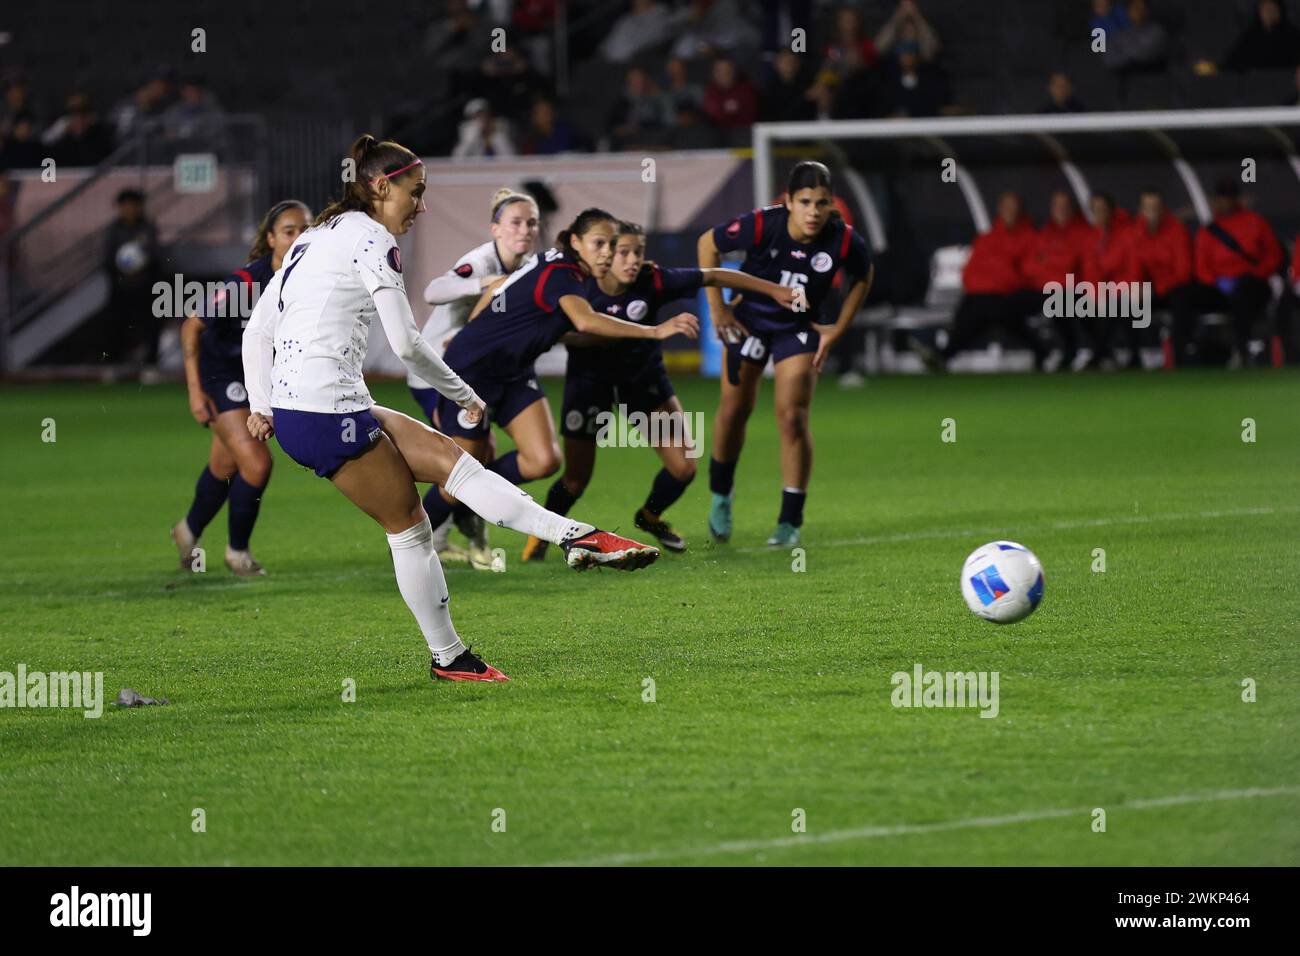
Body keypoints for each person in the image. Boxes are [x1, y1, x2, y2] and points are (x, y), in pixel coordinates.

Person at [242, 135, 663, 684]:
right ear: (379, 186)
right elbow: (407, 343)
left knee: (458, 466)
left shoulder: (315, 237)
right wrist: (463, 394)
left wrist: (262, 404)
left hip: (324, 404)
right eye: (414, 194)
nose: (421, 206)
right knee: (411, 529)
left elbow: (259, 331)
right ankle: (449, 658)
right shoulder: (372, 241)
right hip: (324, 412)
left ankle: (577, 537)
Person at [425, 209, 705, 547]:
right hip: (472, 374)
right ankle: (416, 540)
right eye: (599, 244)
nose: (607, 252)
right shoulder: (563, 273)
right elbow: (585, 321)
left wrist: (476, 324)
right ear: (576, 242)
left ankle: (476, 498)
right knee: (457, 477)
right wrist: (655, 331)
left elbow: (501, 289)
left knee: (543, 460)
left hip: (514, 372)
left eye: (612, 245)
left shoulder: (559, 265)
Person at [528, 219, 797, 561]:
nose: (631, 260)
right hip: (590, 384)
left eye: (638, 251)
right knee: (577, 478)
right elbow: (555, 331)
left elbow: (713, 274)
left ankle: (649, 516)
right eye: (623, 251)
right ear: (606, 253)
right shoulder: (577, 286)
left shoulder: (652, 280)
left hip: (643, 382)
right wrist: (618, 333)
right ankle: (540, 536)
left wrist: (774, 290)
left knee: (684, 467)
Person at [699, 161, 873, 547]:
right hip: (750, 322)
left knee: (792, 418)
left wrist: (839, 327)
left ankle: (789, 520)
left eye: (822, 203)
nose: (814, 211)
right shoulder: (763, 224)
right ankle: (721, 497)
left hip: (799, 328)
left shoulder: (842, 239)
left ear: (831, 205)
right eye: (805, 201)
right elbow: (707, 243)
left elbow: (864, 274)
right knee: (733, 411)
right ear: (789, 202)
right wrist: (718, 308)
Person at [172, 200, 311, 576]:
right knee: (257, 462)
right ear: (270, 238)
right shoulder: (247, 282)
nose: (299, 237)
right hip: (223, 377)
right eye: (289, 231)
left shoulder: (310, 279)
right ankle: (237, 553)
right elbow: (192, 326)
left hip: (260, 380)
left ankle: (187, 532)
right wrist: (195, 391)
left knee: (225, 464)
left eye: (305, 229)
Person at [408, 187, 541, 567]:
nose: (525, 229)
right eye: (515, 222)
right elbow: (435, 290)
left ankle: (464, 507)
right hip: (437, 373)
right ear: (495, 229)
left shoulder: (531, 267)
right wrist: (486, 284)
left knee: (474, 463)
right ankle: (421, 537)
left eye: (531, 223)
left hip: (484, 373)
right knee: (462, 460)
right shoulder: (481, 262)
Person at [913, 191, 1044, 371]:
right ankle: (1040, 349)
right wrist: (992, 281)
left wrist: (999, 281)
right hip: (983, 296)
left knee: (988, 307)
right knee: (984, 306)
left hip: (1014, 295)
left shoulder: (1031, 237)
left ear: (1020, 210)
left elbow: (1029, 272)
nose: (1010, 212)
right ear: (1000, 210)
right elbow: (971, 272)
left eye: (1014, 208)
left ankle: (944, 353)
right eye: (1007, 208)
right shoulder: (987, 238)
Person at [1174, 180, 1282, 367]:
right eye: (1221, 199)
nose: (1223, 203)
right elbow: (1201, 266)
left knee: (1244, 291)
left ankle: (1241, 351)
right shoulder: (1209, 230)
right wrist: (1216, 282)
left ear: (1235, 200)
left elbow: (1274, 256)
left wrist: (1256, 273)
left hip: (1251, 285)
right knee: (1183, 295)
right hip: (1219, 287)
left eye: (1228, 199)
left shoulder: (1255, 222)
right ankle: (1180, 355)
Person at [102, 188, 162, 369]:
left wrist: (142, 268)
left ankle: (151, 364)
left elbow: (155, 256)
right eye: (125, 206)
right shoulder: (113, 230)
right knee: (115, 325)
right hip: (121, 287)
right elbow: (107, 259)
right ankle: (113, 365)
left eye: (133, 205)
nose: (130, 209)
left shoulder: (147, 228)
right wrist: (121, 272)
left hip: (144, 286)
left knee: (150, 325)